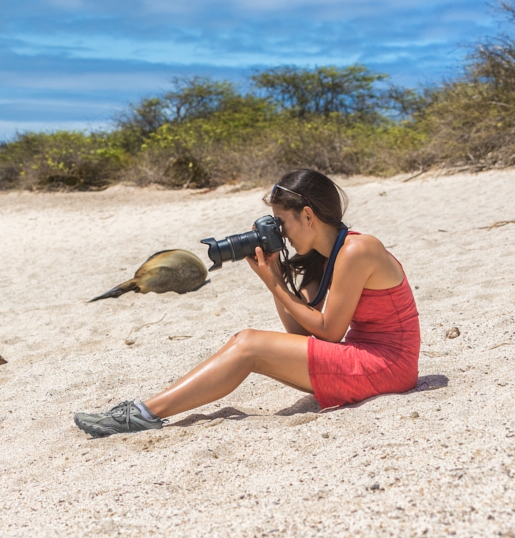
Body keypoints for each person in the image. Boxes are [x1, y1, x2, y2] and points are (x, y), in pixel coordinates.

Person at [72, 168, 420, 438]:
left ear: (309, 216)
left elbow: (328, 333)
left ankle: (145, 413)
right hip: (370, 360)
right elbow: (301, 334)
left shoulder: (358, 250)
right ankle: (144, 411)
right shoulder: (322, 257)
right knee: (247, 343)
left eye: (283, 224)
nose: (282, 233)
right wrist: (276, 280)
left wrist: (275, 286)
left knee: (248, 344)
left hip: (388, 368)